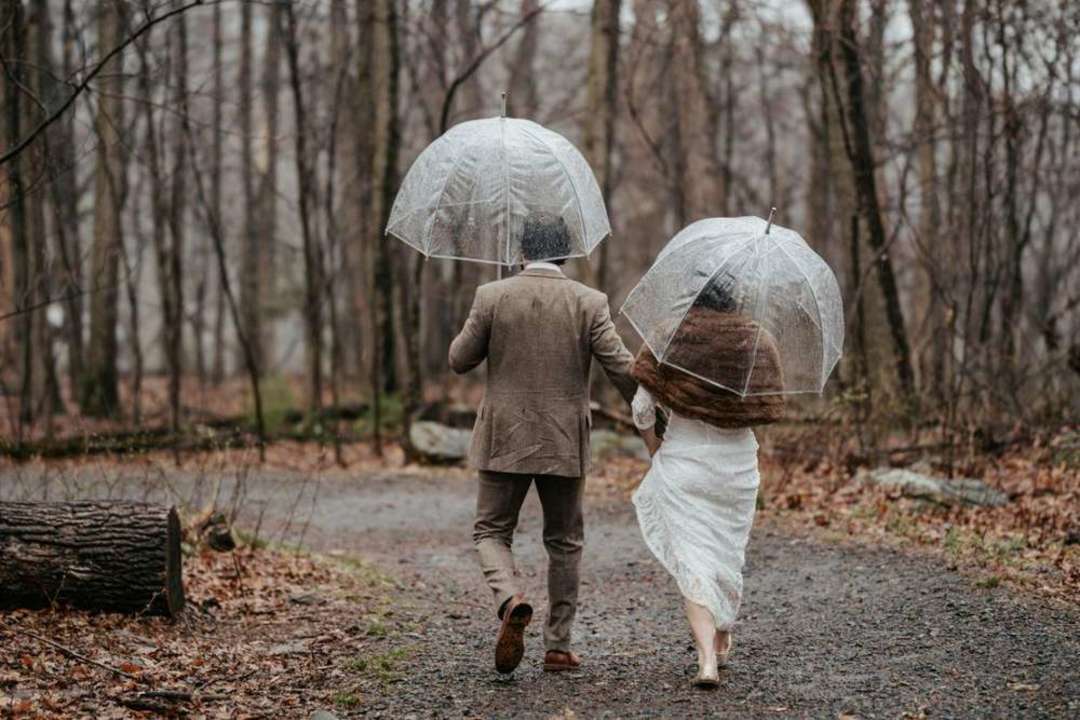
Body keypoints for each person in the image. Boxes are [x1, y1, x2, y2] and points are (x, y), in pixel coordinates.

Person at [449, 211, 637, 675]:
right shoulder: (589, 302)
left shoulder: (491, 295)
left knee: (491, 532)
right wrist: (655, 411)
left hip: (503, 438)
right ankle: (557, 646)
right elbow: (622, 369)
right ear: (568, 253)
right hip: (563, 441)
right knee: (565, 541)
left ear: (522, 251)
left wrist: (491, 313)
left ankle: (510, 598)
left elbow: (459, 360)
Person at [630, 279, 785, 689]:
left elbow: (642, 408)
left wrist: (655, 448)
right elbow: (764, 409)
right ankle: (722, 631)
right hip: (735, 467)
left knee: (694, 560)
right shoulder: (757, 341)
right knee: (726, 554)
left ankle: (705, 661)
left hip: (685, 461)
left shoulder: (670, 335)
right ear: (735, 301)